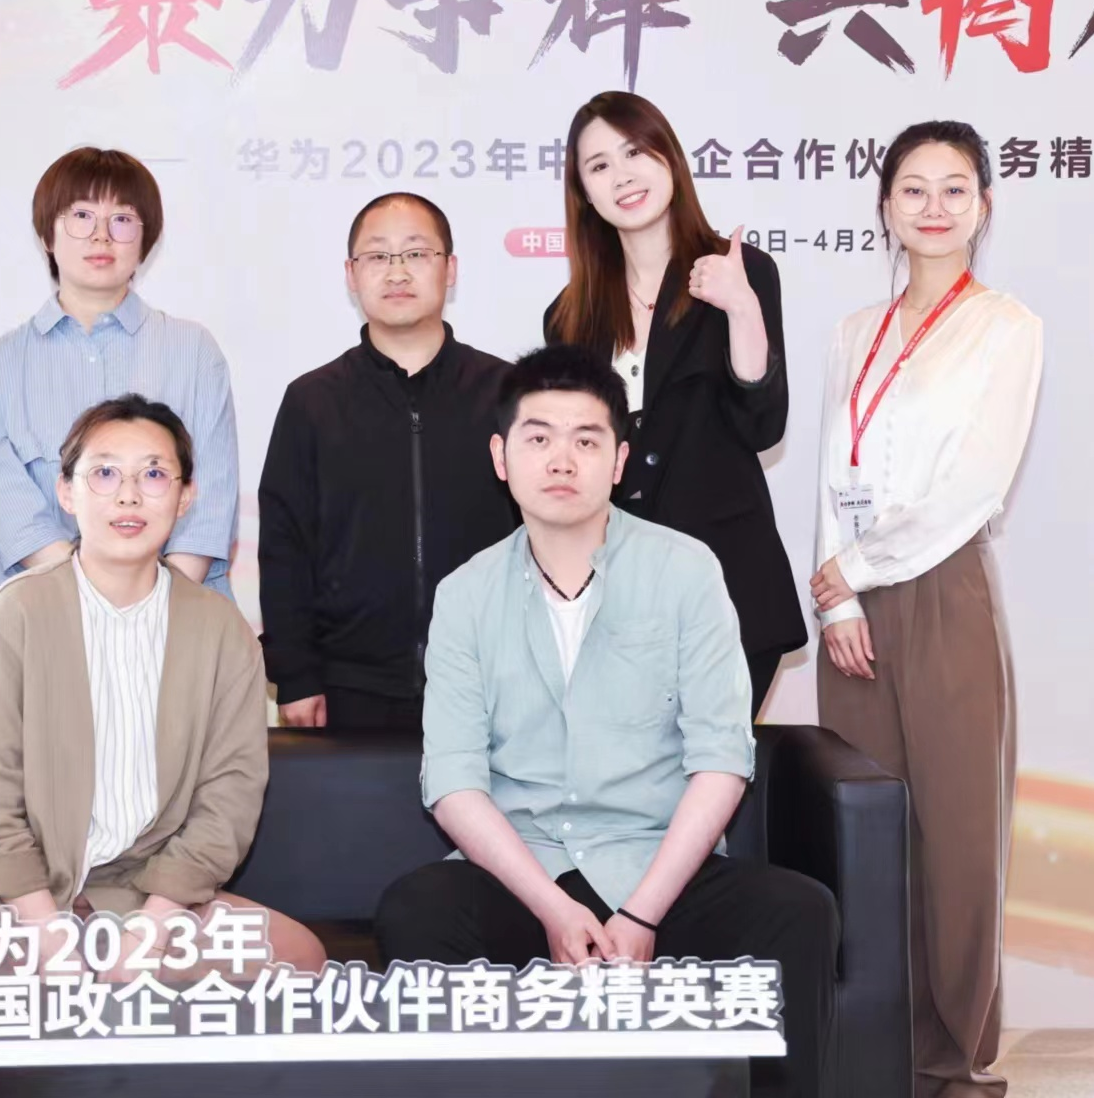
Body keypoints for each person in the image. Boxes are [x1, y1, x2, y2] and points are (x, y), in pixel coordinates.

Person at [375, 345, 837, 1098]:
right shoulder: (466, 594)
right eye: (538, 437)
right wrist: (555, 909)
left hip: (656, 865)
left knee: (798, 914)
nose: (562, 459)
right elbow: (454, 784)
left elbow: (722, 760)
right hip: (528, 873)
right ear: (501, 457)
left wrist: (642, 913)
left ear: (619, 461)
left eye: (586, 440)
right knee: (417, 911)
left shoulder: (685, 569)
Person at [0, 394, 326, 1098]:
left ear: (186, 496)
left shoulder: (222, 634)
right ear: (67, 492)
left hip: (148, 894)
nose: (128, 495)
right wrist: (46, 928)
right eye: (104, 473)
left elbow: (229, 803)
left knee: (298, 959)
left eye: (154, 474)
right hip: (9, 897)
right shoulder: (12, 617)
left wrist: (154, 927)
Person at [810, 120, 1042, 1098]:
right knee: (872, 829)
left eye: (955, 188)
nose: (934, 206)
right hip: (853, 609)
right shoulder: (854, 330)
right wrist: (836, 599)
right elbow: (832, 470)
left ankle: (953, 1055)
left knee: (958, 830)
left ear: (984, 207)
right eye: (914, 188)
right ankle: (880, 1047)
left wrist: (859, 563)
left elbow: (976, 484)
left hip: (943, 587)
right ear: (885, 207)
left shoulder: (1006, 325)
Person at [543, 91, 805, 715]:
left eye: (635, 152)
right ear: (584, 193)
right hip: (617, 597)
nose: (622, 175)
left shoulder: (740, 272)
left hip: (728, 584)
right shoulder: (569, 316)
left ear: (670, 159)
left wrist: (740, 307)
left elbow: (763, 426)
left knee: (713, 765)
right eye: (599, 165)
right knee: (632, 770)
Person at [258, 192, 517, 731]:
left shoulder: (507, 393)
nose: (397, 271)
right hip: (349, 687)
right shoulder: (312, 401)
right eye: (378, 256)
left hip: (493, 681)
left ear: (450, 269)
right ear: (351, 275)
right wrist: (296, 674)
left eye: (417, 253)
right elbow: (285, 545)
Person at [0, 147, 238, 605]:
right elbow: (9, 512)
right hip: (42, 609)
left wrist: (152, 610)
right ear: (47, 234)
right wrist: (94, 607)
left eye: (122, 220)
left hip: (178, 610)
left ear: (145, 239)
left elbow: (208, 504)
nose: (101, 236)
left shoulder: (195, 353)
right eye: (81, 216)